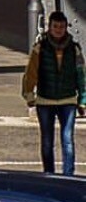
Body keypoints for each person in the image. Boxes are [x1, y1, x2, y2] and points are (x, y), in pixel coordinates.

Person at [23, 10, 86, 174]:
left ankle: (68, 175)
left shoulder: (74, 49)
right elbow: (31, 73)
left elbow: (81, 75)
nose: (58, 30)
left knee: (68, 140)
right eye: (55, 26)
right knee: (47, 141)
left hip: (68, 100)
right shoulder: (40, 48)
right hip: (45, 100)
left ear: (66, 28)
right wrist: (29, 95)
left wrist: (83, 100)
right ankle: (49, 173)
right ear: (49, 27)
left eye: (61, 27)